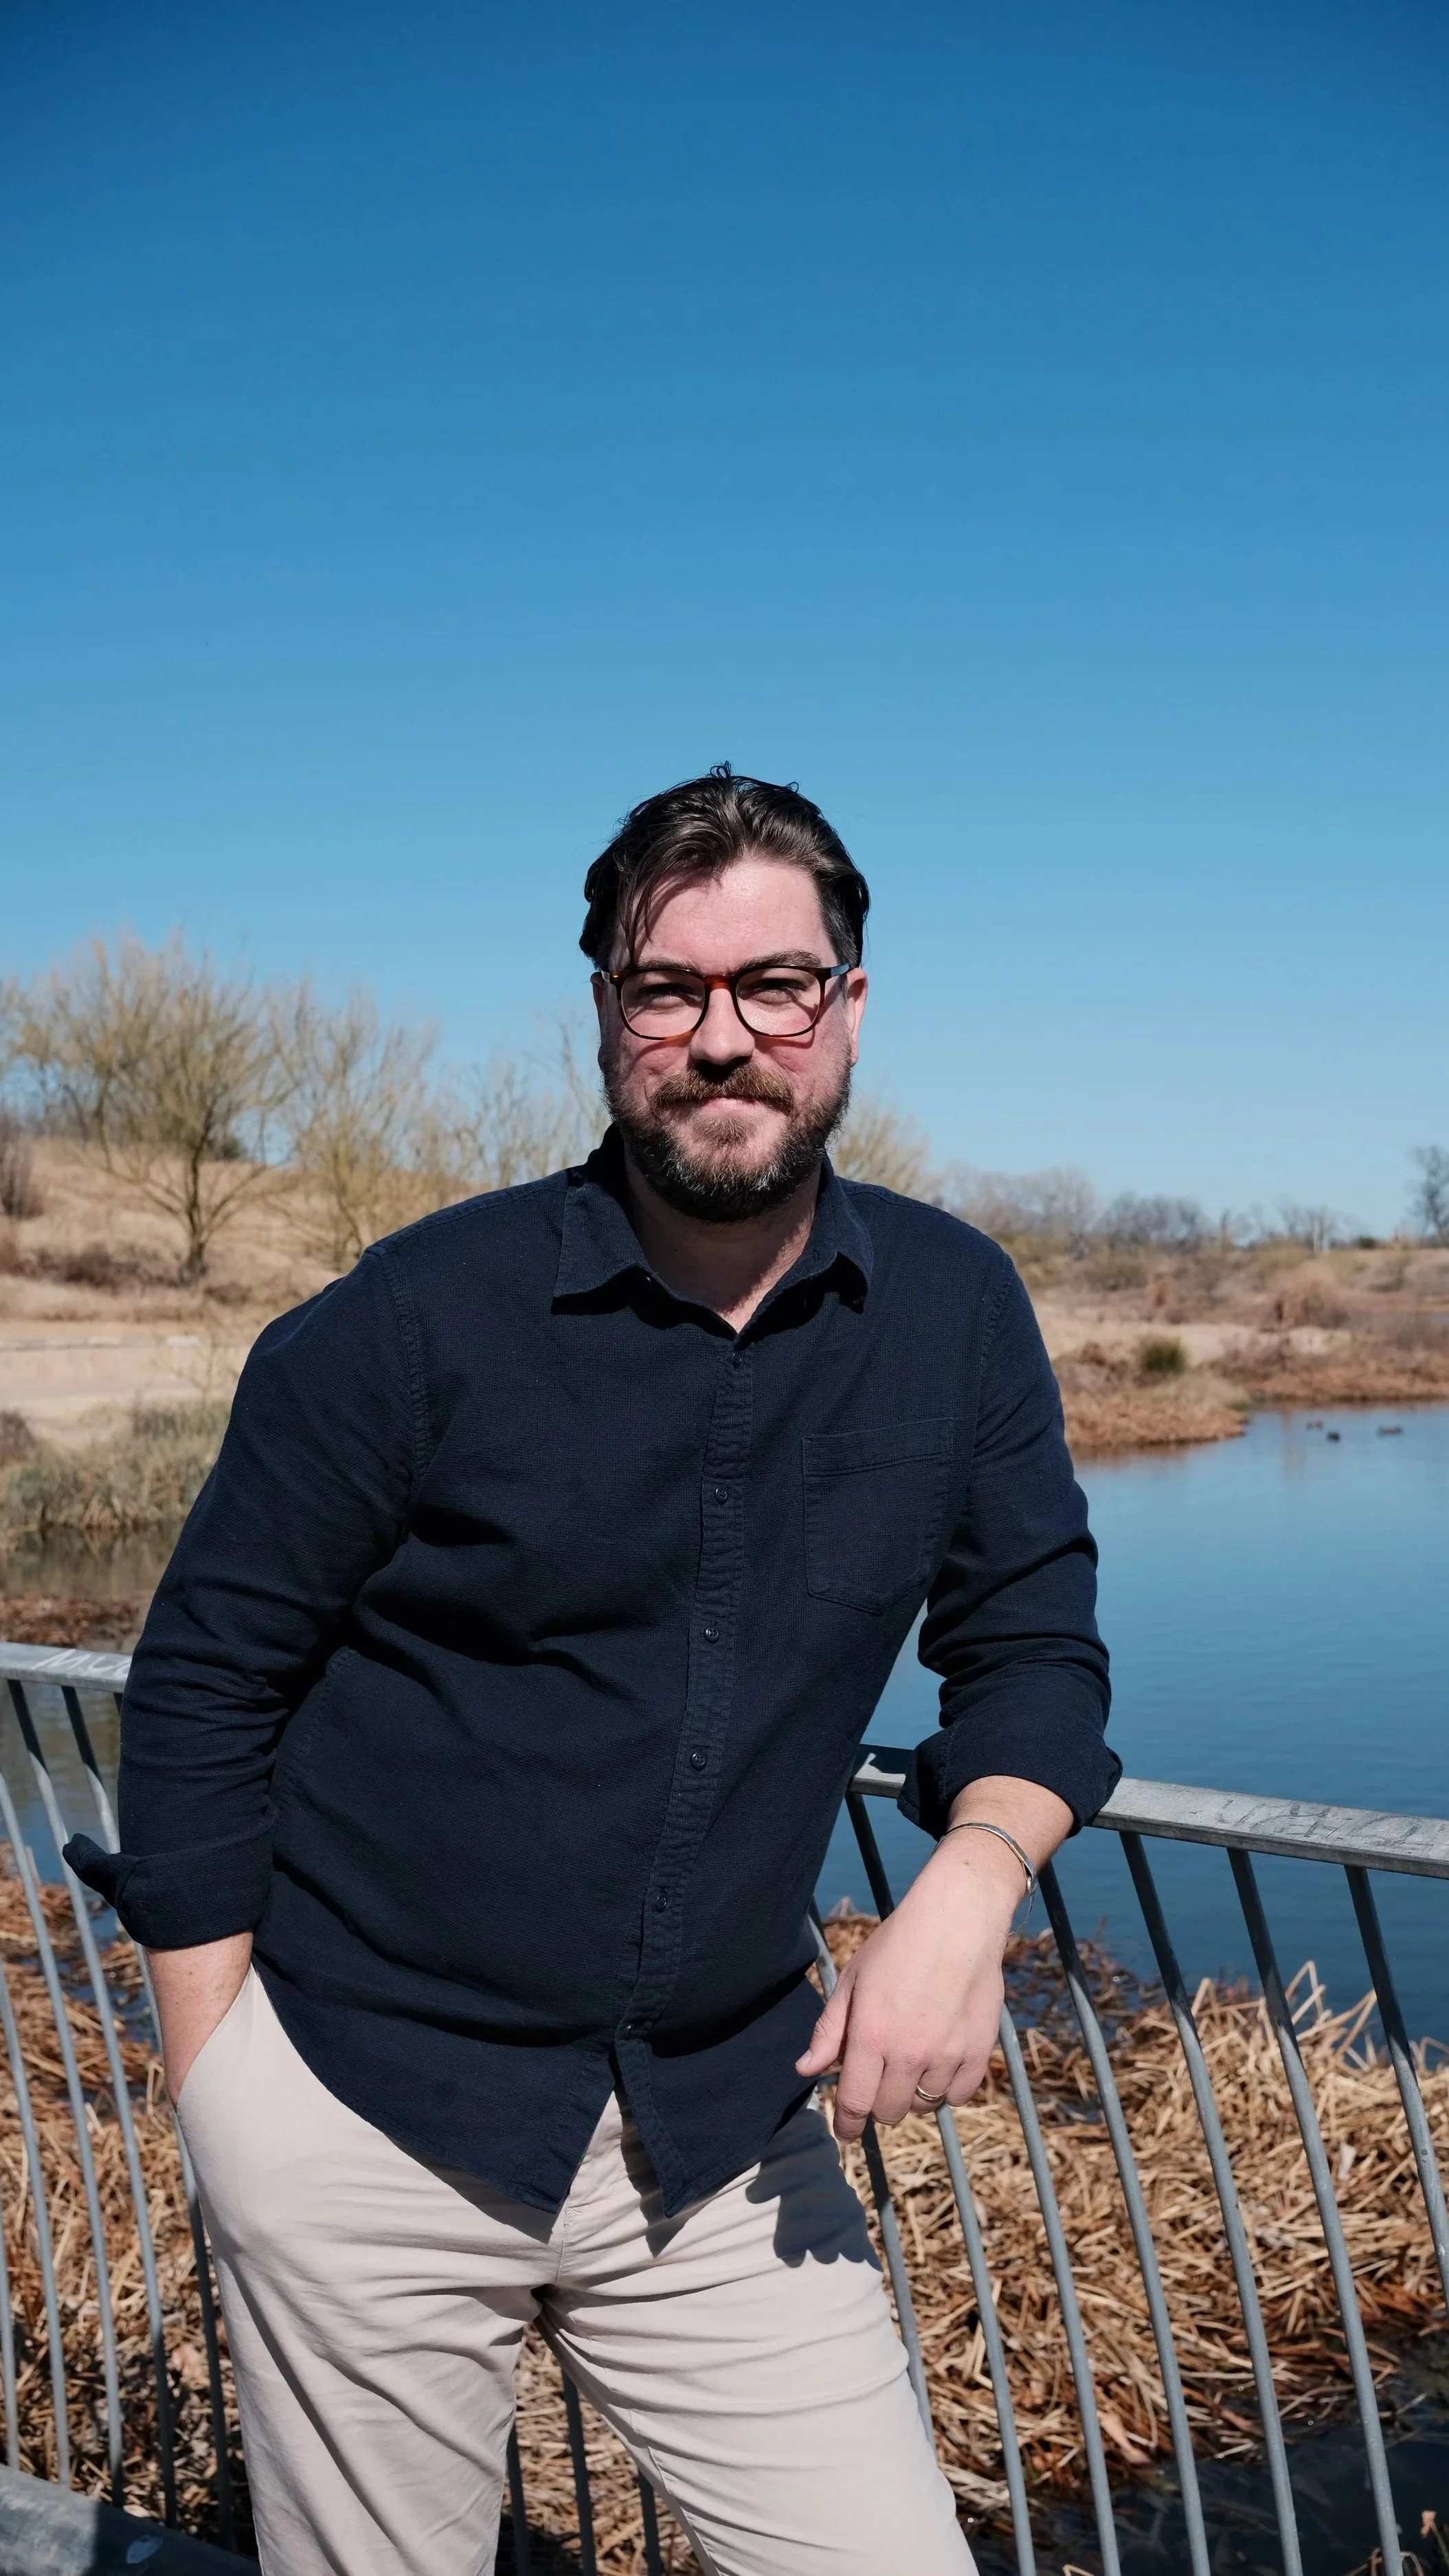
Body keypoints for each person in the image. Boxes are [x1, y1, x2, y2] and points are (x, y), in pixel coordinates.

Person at [69, 767, 1115, 2576]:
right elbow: (203, 1685)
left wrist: (974, 1875)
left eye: (773, 984)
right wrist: (223, 2087)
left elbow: (1032, 1647)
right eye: (667, 989)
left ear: (845, 1008)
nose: (722, 1038)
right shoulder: (411, 1320)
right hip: (358, 2115)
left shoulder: (953, 1315)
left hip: (722, 2137)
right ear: (606, 1016)